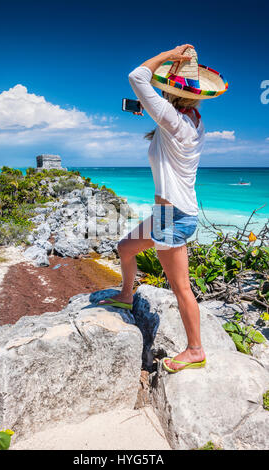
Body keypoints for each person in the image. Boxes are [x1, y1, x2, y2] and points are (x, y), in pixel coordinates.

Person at [99, 44, 228, 373]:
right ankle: (127, 295)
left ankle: (196, 349)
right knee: (125, 248)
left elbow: (137, 75)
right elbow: (168, 126)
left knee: (181, 287)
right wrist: (152, 110)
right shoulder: (192, 121)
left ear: (170, 91)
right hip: (165, 215)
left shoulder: (174, 121)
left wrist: (171, 54)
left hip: (175, 218)